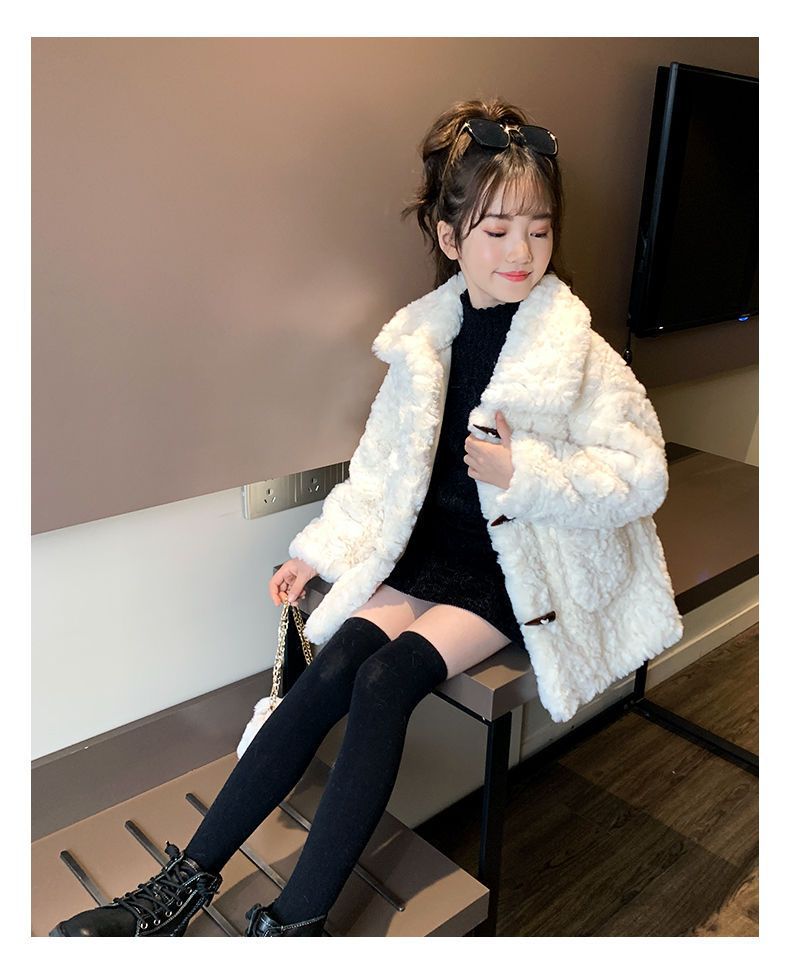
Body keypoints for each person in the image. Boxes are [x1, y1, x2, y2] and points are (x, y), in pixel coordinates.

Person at [50, 95, 674, 938]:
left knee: (385, 685)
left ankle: (296, 921)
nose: (522, 251)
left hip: (508, 572)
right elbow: (382, 470)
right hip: (424, 557)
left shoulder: (580, 355)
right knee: (336, 663)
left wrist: (526, 473)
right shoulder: (426, 342)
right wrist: (319, 550)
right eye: (497, 230)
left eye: (539, 229)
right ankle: (179, 888)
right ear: (450, 237)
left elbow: (641, 477)